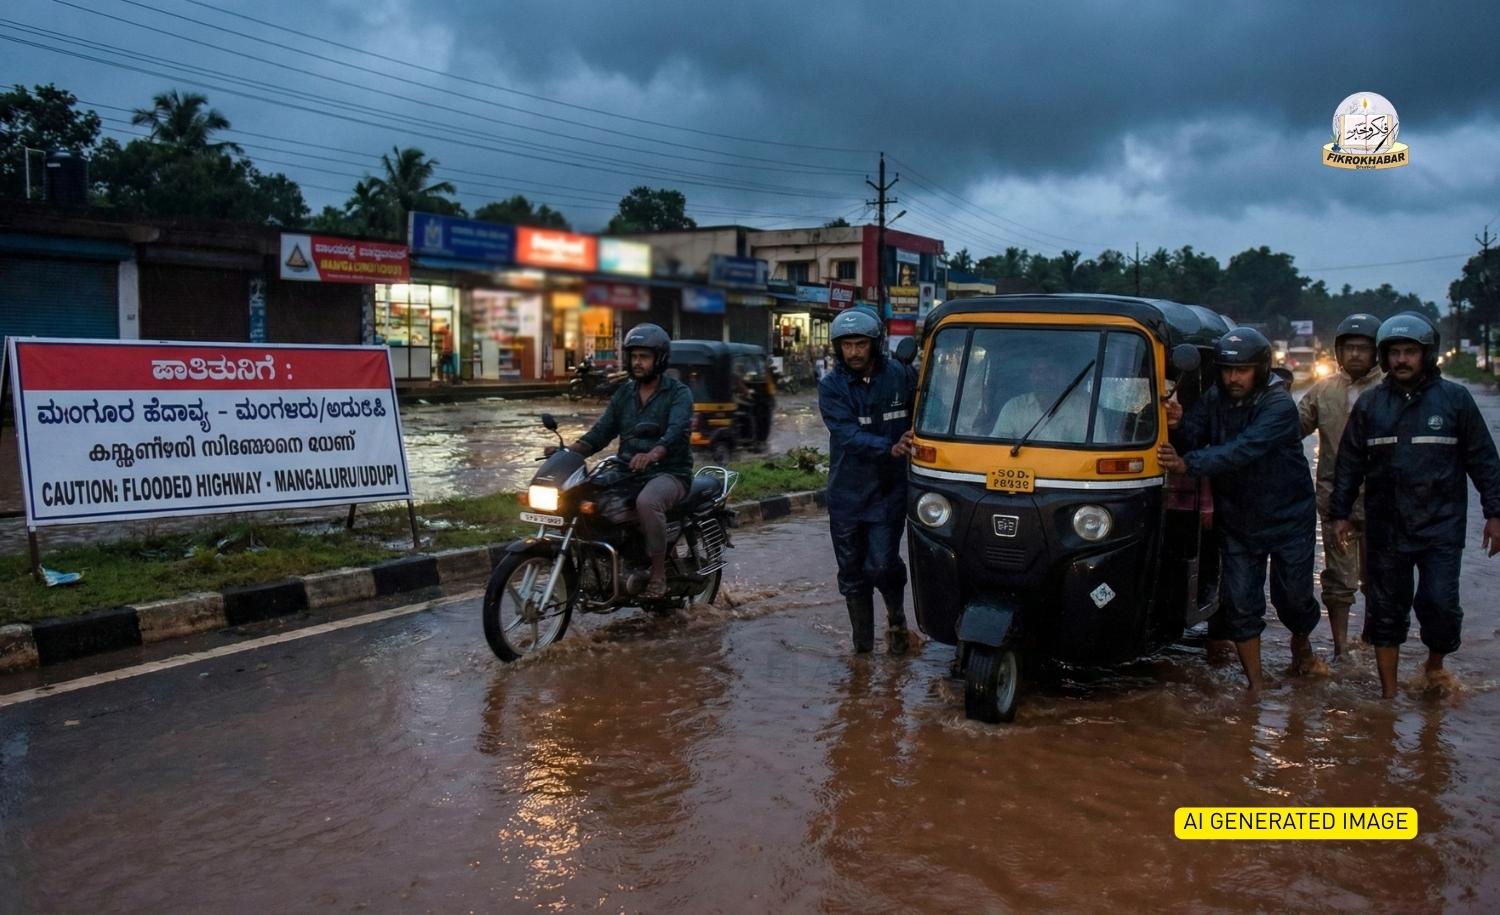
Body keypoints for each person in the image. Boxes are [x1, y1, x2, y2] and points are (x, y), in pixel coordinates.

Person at [1329, 314, 1500, 698]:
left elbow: (1484, 460)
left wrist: (1495, 513)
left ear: (1427, 355)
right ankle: (1389, 697)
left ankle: (1433, 668)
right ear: (1384, 357)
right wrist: (1340, 514)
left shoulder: (1455, 400)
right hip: (1387, 528)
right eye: (1394, 353)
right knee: (1385, 613)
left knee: (1440, 606)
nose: (1401, 360)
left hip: (1441, 527)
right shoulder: (1371, 406)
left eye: (1409, 352)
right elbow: (1349, 464)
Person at [1157, 327, 1322, 698]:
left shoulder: (1278, 405)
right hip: (1239, 517)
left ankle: (1300, 639)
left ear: (1260, 370)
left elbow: (1242, 449)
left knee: (1292, 599)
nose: (1234, 378)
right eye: (1228, 370)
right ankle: (1256, 686)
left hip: (1287, 517)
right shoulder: (1216, 396)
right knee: (1240, 601)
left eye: (1242, 370)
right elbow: (1194, 433)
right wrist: (1180, 423)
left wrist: (1188, 463)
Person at [560, 323, 694, 598]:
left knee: (648, 501)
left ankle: (658, 572)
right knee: (585, 497)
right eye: (633, 356)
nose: (637, 362)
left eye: (643, 356)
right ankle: (610, 562)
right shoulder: (624, 393)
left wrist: (653, 453)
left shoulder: (678, 394)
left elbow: (676, 431)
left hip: (670, 472)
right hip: (628, 471)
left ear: (660, 359)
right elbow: (601, 431)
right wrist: (568, 452)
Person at [818, 309, 918, 654]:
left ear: (875, 344)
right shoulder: (831, 386)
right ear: (838, 348)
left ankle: (896, 618)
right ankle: (861, 652)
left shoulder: (902, 376)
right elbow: (846, 434)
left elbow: (927, 408)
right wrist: (888, 446)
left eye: (861, 344)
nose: (855, 352)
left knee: (881, 564)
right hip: (847, 493)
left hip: (889, 491)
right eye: (847, 345)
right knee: (851, 575)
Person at [1297, 313, 1384, 657]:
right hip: (1336, 503)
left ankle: (1371, 642)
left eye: (1364, 349)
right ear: (1338, 351)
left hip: (1384, 501)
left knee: (1379, 579)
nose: (1356, 355)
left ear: (1376, 352)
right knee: (1338, 579)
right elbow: (1292, 428)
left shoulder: (1391, 391)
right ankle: (1340, 650)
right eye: (1349, 348)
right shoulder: (1324, 390)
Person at [989, 353, 1091, 442]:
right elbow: (996, 450)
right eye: (1037, 371)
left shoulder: (1086, 412)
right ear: (1030, 376)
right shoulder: (1014, 408)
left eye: (1050, 370)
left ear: (1064, 374)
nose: (1043, 377)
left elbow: (1095, 455)